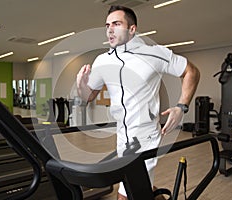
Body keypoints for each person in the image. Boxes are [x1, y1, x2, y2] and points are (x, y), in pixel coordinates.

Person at [76, 5, 200, 200]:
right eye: (107, 25)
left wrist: (181, 106)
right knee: (141, 186)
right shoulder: (102, 61)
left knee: (125, 194)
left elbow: (191, 71)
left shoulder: (154, 53)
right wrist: (81, 86)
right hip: (122, 134)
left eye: (116, 24)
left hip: (145, 135)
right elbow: (88, 96)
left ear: (132, 29)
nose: (110, 29)